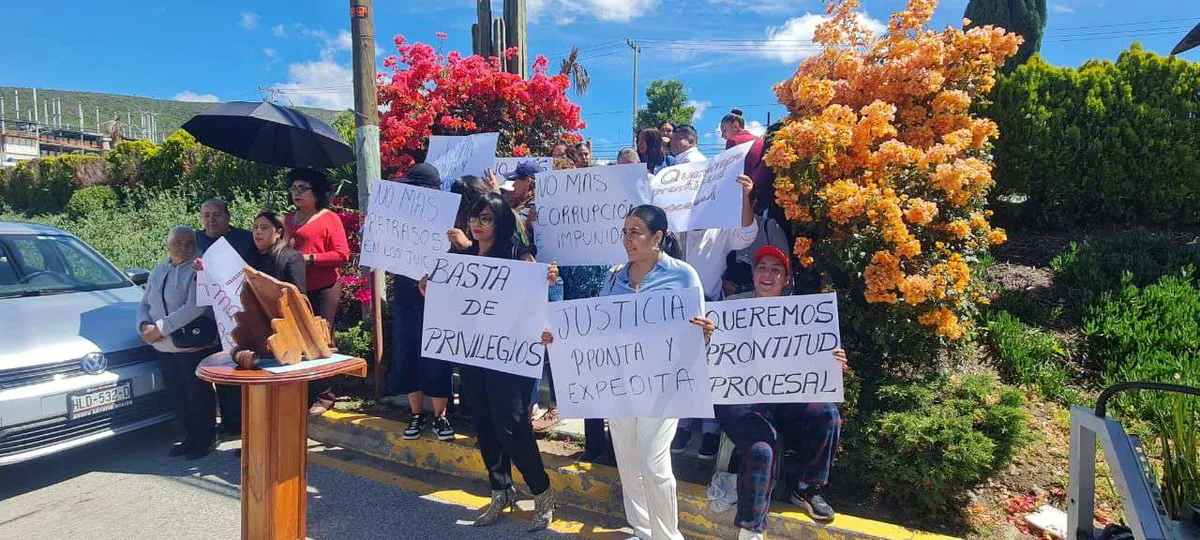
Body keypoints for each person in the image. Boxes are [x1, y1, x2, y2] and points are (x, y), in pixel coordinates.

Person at [559, 204, 713, 540]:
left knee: (653, 464)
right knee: (628, 463)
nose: (627, 239)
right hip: (621, 384)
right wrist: (558, 337)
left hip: (663, 386)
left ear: (657, 237)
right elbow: (596, 326)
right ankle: (642, 531)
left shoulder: (683, 275)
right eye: (625, 231)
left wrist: (704, 331)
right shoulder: (613, 277)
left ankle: (668, 537)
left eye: (636, 232)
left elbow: (697, 328)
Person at [421, 192, 559, 531]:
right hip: (471, 353)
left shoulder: (516, 254)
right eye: (473, 217)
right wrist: (429, 288)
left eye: (486, 218)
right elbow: (446, 295)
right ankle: (500, 489)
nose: (477, 224)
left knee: (511, 425)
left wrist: (547, 278)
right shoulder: (461, 255)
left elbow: (537, 291)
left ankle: (542, 492)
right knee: (482, 422)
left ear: (500, 222)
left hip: (507, 355)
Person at [702, 246, 848, 537]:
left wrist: (832, 364)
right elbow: (707, 360)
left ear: (786, 279)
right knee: (761, 450)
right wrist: (705, 340)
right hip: (740, 402)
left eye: (775, 270)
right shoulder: (728, 309)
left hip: (784, 398)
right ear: (753, 275)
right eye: (761, 268)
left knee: (827, 415)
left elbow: (813, 360)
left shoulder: (803, 315)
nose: (767, 274)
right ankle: (751, 529)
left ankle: (807, 487)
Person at [197, 211, 308, 443]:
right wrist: (205, 272)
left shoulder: (291, 258)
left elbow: (298, 298)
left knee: (277, 393)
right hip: (255, 334)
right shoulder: (249, 258)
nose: (258, 232)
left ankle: (277, 441)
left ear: (278, 233)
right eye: (256, 227)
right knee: (255, 393)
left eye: (265, 228)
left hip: (282, 334)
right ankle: (256, 442)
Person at [672, 174, 759, 459]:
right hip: (678, 309)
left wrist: (745, 196)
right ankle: (683, 425)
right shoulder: (677, 229)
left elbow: (747, 234)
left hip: (712, 307)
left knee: (710, 369)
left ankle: (709, 430)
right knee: (682, 367)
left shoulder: (721, 230)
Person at [376, 164, 458, 442]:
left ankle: (441, 416)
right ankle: (416, 414)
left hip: (437, 304)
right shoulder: (398, 221)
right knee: (406, 355)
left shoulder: (448, 225)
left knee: (437, 358)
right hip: (405, 299)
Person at [138, 227, 219, 460]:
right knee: (178, 395)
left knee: (198, 395)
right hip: (163, 346)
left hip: (190, 345)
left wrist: (160, 328)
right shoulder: (159, 270)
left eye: (188, 243)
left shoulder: (198, 270)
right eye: (177, 242)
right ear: (168, 244)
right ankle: (190, 437)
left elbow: (196, 307)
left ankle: (206, 439)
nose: (183, 247)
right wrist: (143, 325)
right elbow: (144, 303)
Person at [284, 167, 351, 415]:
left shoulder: (329, 218)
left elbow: (342, 254)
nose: (296, 194)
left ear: (317, 193)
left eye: (303, 189)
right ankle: (305, 391)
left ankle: (325, 395)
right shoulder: (289, 219)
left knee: (321, 339)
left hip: (325, 287)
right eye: (293, 189)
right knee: (299, 339)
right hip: (296, 288)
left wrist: (309, 259)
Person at [195, 198, 254, 438]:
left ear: (228, 216)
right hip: (208, 315)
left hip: (238, 314)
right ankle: (229, 422)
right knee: (221, 369)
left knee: (240, 368)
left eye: (216, 215)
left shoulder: (244, 238)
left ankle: (245, 422)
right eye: (206, 215)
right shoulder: (195, 240)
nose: (211, 220)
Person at [721, 111, 767, 195]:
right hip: (761, 191)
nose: (722, 135)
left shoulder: (732, 142)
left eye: (724, 130)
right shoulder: (761, 141)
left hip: (743, 193)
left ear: (735, 125)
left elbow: (730, 174)